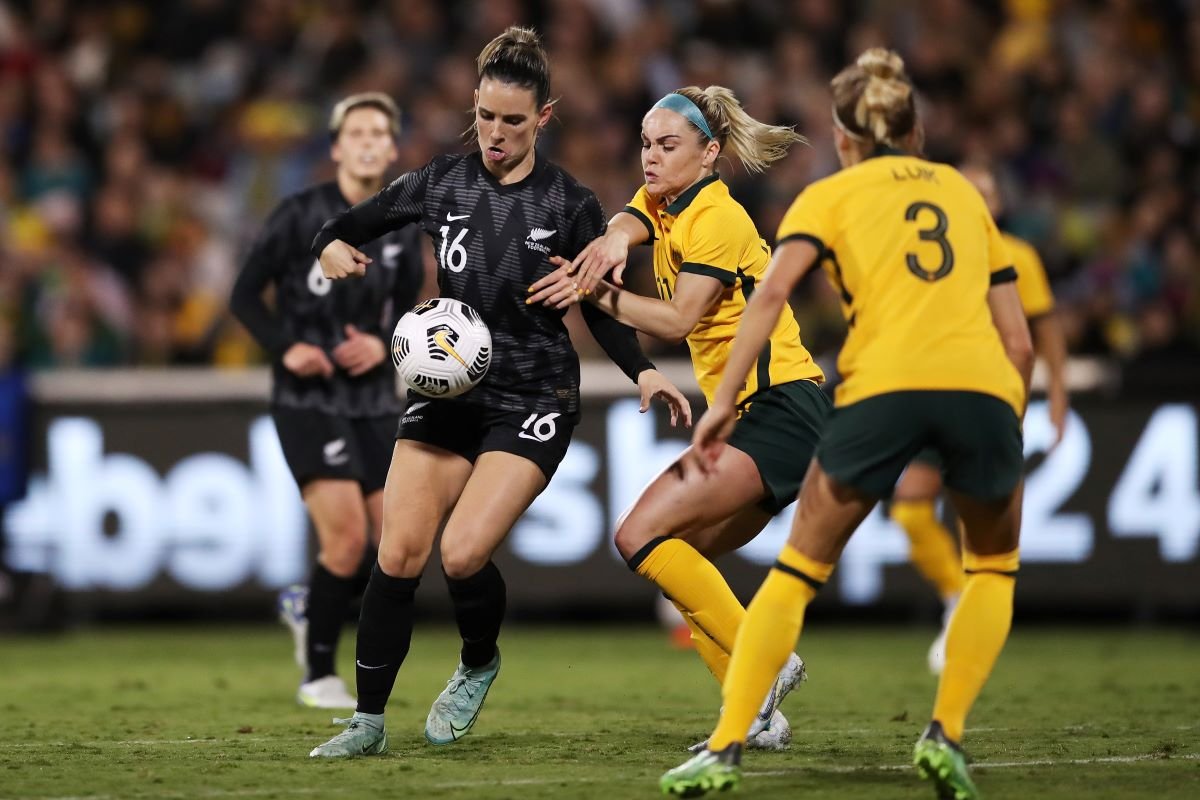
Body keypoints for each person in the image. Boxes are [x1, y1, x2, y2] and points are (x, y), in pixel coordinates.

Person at [306, 27, 689, 758]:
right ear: (473, 108)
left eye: (514, 120)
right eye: (486, 116)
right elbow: (345, 223)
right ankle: (367, 722)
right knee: (398, 552)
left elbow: (600, 305)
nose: (497, 133)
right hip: (448, 389)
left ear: (544, 116)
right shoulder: (438, 184)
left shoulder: (571, 204)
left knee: (461, 553)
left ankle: (479, 661)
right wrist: (330, 243)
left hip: (536, 394)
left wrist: (639, 368)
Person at [660, 49, 1033, 800]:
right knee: (991, 569)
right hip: (982, 389)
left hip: (883, 387)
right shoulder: (963, 192)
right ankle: (946, 732)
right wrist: (1004, 418)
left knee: (796, 573)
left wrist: (725, 399)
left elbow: (767, 299)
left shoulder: (830, 196)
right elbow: (1019, 339)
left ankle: (729, 745)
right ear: (914, 130)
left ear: (845, 137)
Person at [527, 85, 827, 750]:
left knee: (637, 535)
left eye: (667, 145)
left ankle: (765, 662)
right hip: (760, 415)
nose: (650, 158)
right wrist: (609, 240)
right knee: (675, 557)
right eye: (644, 144)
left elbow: (676, 320)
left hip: (779, 408)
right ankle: (751, 715)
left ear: (710, 153)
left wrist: (595, 292)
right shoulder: (667, 202)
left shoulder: (716, 218)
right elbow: (631, 218)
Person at [230, 92, 425, 709]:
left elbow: (405, 320)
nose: (368, 142)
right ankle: (319, 674)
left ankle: (308, 607)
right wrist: (285, 346)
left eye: (379, 134)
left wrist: (382, 344)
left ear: (392, 150)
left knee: (388, 540)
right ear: (337, 148)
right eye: (357, 132)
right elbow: (243, 296)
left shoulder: (401, 227)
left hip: (373, 400)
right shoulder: (298, 215)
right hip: (307, 397)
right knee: (344, 540)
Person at [892, 162, 1070, 675]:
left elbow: (1040, 333)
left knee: (981, 519)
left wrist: (1055, 396)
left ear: (998, 203)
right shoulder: (928, 256)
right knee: (910, 507)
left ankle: (970, 620)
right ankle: (957, 598)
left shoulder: (1017, 255)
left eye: (986, 191)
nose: (979, 199)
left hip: (989, 398)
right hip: (934, 392)